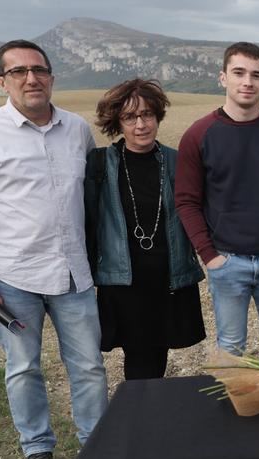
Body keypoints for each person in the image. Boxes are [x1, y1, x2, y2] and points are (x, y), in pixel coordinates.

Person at [0, 40, 108, 459]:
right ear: (2, 81)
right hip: (12, 278)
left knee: (90, 366)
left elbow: (91, 201)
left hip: (74, 275)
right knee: (23, 367)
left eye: (38, 69)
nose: (30, 78)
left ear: (52, 77)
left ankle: (95, 444)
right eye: (18, 71)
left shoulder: (77, 129)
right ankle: (37, 449)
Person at [175, 42, 259, 361]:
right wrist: (209, 255)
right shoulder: (199, 135)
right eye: (238, 73)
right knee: (231, 349)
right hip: (226, 261)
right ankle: (237, 411)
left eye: (256, 75)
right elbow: (186, 201)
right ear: (223, 78)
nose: (247, 81)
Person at [85, 79, 205, 380]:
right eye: (130, 117)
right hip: (124, 283)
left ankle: (145, 418)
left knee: (157, 358)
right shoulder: (100, 164)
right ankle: (140, 420)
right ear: (117, 121)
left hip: (168, 280)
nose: (141, 124)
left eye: (147, 114)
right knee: (139, 361)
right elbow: (86, 222)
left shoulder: (178, 162)